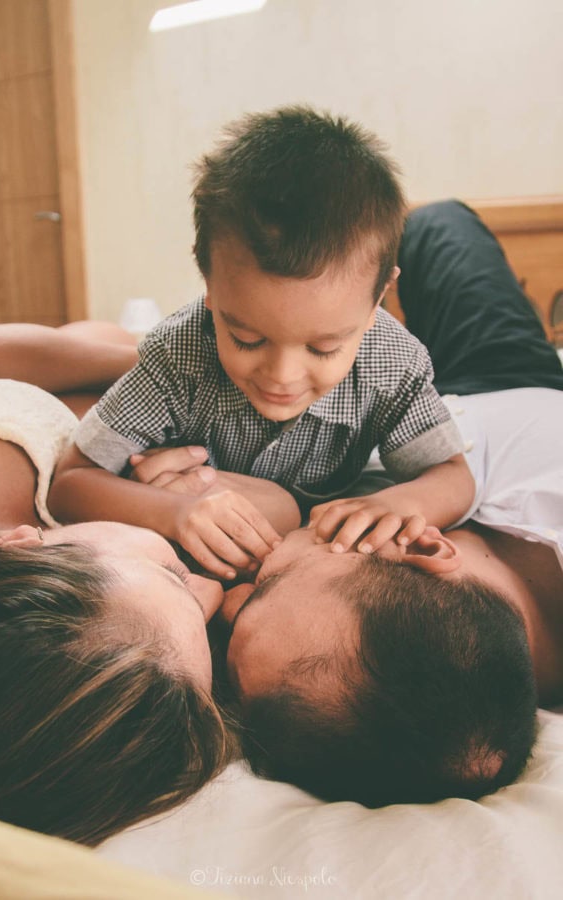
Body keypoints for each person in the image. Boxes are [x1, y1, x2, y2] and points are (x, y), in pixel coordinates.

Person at [221, 200, 563, 808]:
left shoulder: (339, 638)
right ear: (423, 542)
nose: (225, 595)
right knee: (437, 223)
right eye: (266, 582)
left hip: (388, 431)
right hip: (510, 387)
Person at [50, 106, 475, 581]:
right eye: (247, 338)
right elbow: (70, 482)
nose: (282, 375)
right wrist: (170, 512)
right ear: (208, 281)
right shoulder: (180, 353)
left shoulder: (391, 362)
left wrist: (398, 502)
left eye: (323, 348)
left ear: (379, 298)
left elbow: (454, 477)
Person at [0, 323, 289, 845]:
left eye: (174, 575)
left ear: (22, 542)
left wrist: (180, 369)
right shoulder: (113, 638)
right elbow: (285, 507)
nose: (216, 593)